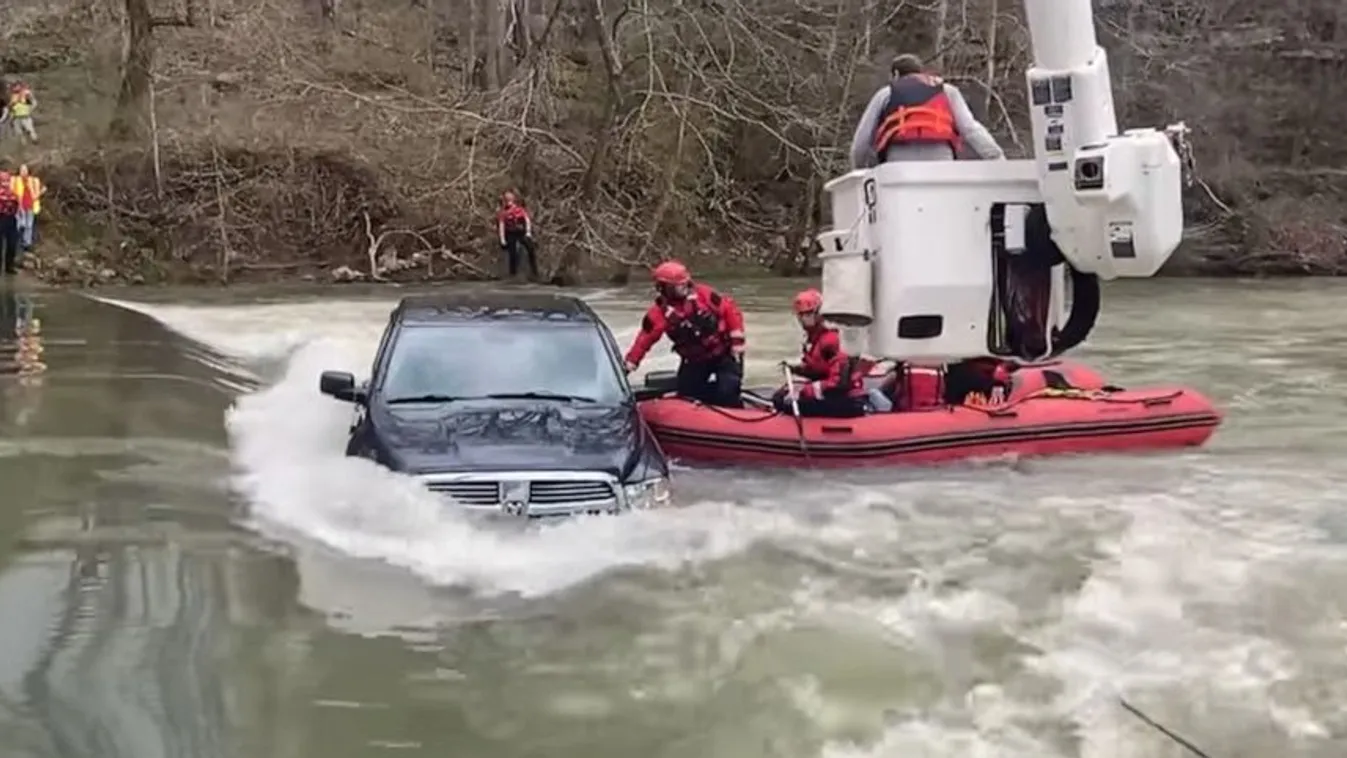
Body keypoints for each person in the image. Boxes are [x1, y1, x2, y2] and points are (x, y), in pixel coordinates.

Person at [624, 260, 745, 407]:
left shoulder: (704, 295)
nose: (685, 287)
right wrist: (630, 363)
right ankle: (706, 407)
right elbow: (644, 340)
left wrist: (737, 343)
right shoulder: (658, 314)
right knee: (687, 396)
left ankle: (732, 406)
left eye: (685, 283)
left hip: (725, 353)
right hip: (695, 360)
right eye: (679, 285)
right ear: (664, 287)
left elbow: (730, 311)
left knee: (728, 392)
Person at [849, 54, 1004, 169]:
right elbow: (971, 129)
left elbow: (861, 142)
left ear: (895, 74)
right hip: (942, 162)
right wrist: (997, 158)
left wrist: (860, 169)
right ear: (921, 72)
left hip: (898, 166)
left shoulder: (886, 94)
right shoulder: (947, 91)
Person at [775, 288, 870, 418]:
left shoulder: (832, 340)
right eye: (800, 315)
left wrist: (806, 391)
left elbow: (839, 383)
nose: (803, 320)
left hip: (847, 399)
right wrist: (797, 369)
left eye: (808, 315)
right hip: (834, 394)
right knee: (780, 396)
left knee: (785, 403)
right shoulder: (815, 338)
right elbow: (820, 369)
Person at [496, 190, 538, 280]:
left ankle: (534, 271)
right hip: (510, 233)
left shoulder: (519, 210)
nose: (508, 202)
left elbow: (527, 220)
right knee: (513, 252)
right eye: (507, 200)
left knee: (530, 248)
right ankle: (513, 273)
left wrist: (528, 232)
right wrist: (502, 239)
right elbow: (501, 225)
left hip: (521, 232)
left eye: (510, 199)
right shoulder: (503, 213)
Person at [11, 164, 43, 251]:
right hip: (18, 205)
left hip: (30, 205)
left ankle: (26, 243)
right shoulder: (15, 180)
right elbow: (12, 191)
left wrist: (40, 192)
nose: (24, 172)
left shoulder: (33, 181)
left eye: (25, 170)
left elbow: (36, 194)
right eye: (22, 170)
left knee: (29, 225)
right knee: (20, 224)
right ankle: (17, 241)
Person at [0, 173, 20, 275]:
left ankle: (9, 266)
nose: (6, 183)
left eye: (7, 181)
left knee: (12, 243)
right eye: (4, 181)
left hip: (11, 218)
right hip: (1, 218)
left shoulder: (12, 193)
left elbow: (17, 203)